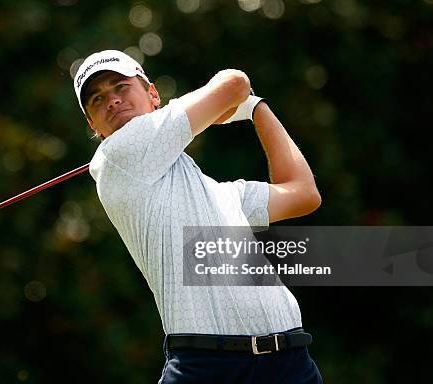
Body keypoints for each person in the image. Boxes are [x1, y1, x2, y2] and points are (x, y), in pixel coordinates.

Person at [73, 50, 323, 383]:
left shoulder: (215, 193)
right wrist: (237, 103)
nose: (112, 101)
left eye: (121, 87)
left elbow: (303, 194)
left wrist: (256, 108)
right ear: (94, 125)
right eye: (97, 99)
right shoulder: (117, 155)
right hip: (208, 367)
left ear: (152, 94)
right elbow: (234, 82)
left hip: (289, 361)